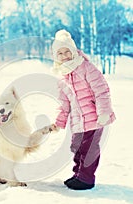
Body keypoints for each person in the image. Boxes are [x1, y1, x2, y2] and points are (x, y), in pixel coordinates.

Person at [51, 29, 116, 190]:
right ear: (55, 56)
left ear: (74, 51)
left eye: (67, 51)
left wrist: (103, 113)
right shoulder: (62, 76)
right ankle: (78, 174)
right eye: (60, 53)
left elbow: (102, 90)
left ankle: (86, 179)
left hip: (94, 119)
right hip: (78, 122)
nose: (65, 55)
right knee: (77, 148)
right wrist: (58, 122)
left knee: (89, 150)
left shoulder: (85, 67)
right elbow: (63, 103)